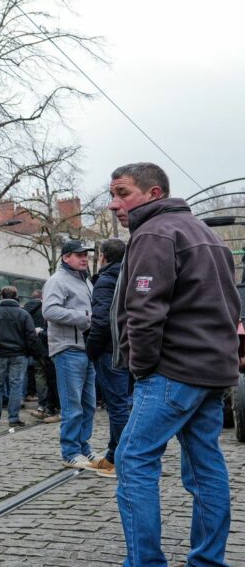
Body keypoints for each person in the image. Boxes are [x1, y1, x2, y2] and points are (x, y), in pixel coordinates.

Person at [108, 162, 239, 566]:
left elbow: (145, 309)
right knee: (205, 468)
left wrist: (142, 366)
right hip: (211, 370)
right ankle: (207, 561)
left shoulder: (155, 232)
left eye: (123, 193)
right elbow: (230, 303)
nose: (115, 204)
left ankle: (145, 563)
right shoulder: (207, 235)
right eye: (112, 195)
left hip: (173, 370)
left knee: (132, 460)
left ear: (154, 194)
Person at [42, 239, 99, 469]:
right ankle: (70, 451)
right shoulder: (57, 281)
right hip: (67, 349)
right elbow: (49, 310)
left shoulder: (85, 280)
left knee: (89, 404)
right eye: (79, 254)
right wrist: (85, 317)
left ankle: (83, 446)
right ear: (66, 257)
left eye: (86, 254)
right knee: (72, 405)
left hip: (86, 349)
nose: (84, 257)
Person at [84, 238, 131, 479]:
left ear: (103, 256)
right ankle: (114, 455)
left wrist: (91, 348)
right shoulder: (128, 275)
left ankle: (120, 460)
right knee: (122, 404)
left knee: (118, 406)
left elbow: (101, 320)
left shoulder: (105, 280)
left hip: (110, 350)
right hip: (129, 347)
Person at [0, 286, 36, 427]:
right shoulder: (23, 314)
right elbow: (31, 336)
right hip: (18, 354)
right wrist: (29, 351)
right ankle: (13, 417)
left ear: (1, 296)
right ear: (16, 296)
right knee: (16, 385)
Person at [24, 290, 60, 423]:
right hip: (48, 350)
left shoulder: (27, 311)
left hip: (41, 348)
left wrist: (40, 333)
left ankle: (47, 407)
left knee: (47, 379)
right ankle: (49, 408)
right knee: (50, 380)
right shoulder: (47, 311)